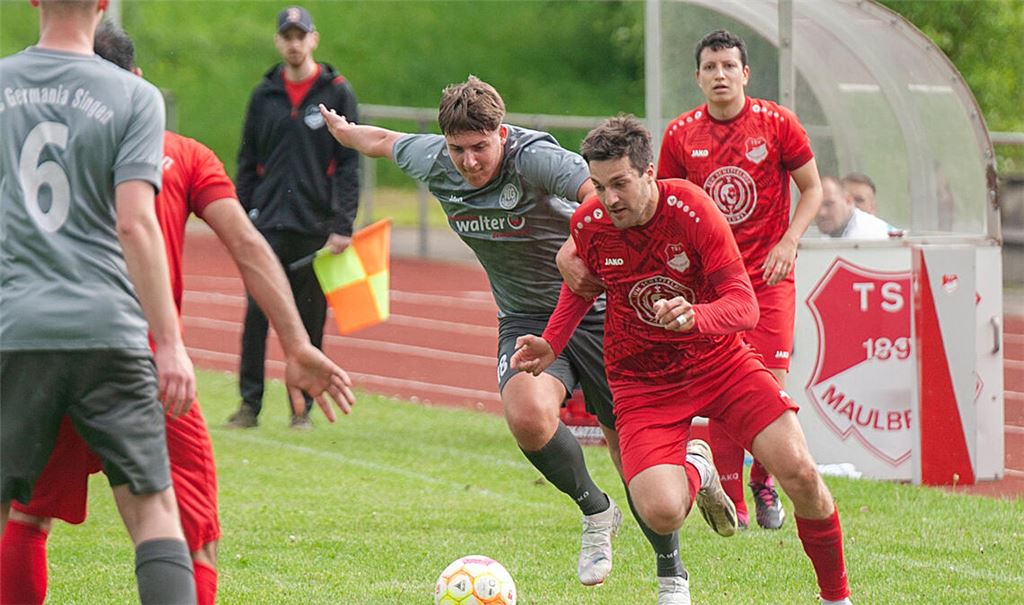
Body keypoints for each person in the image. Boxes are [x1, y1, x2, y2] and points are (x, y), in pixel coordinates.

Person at [0, 22, 358, 605]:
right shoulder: (181, 153)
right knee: (186, 534)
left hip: (35, 346)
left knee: (26, 517)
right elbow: (246, 245)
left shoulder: (21, 132)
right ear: (136, 81)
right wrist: (295, 344)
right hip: (136, 356)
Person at [317, 76, 696, 601]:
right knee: (527, 416)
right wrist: (345, 132)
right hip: (525, 317)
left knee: (628, 453)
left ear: (502, 133)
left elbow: (598, 193)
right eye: (458, 149)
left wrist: (574, 250)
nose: (469, 161)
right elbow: (384, 141)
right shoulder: (434, 160)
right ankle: (596, 511)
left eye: (480, 147)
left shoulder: (534, 158)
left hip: (599, 309)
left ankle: (671, 571)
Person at [512, 115, 852, 605]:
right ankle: (699, 466)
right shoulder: (589, 222)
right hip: (642, 380)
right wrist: (551, 342)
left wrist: (697, 315)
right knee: (661, 512)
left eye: (621, 184)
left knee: (800, 474)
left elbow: (745, 305)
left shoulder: (693, 209)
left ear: (649, 172)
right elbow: (580, 288)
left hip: (721, 364)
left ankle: (836, 597)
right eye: (600, 187)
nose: (609, 199)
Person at [0, 1, 196, 603]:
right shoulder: (135, 97)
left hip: (15, 326)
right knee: (153, 508)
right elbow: (135, 224)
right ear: (104, 4)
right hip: (109, 327)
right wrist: (170, 343)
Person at [654, 29, 824, 531]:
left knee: (768, 386)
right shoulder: (681, 134)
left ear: (745, 73)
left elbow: (813, 189)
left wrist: (789, 240)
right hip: (714, 288)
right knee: (722, 387)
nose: (720, 75)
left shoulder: (777, 123)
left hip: (769, 280)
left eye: (729, 66)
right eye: (710, 67)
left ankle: (762, 482)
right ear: (698, 77)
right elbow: (666, 205)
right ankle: (734, 502)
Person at [228, 5, 360, 430]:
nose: (293, 44)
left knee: (309, 319)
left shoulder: (336, 93)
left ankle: (302, 409)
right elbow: (247, 160)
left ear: (313, 39)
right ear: (277, 41)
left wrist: (342, 224)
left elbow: (349, 165)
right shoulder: (263, 95)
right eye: (286, 36)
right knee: (256, 317)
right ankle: (249, 405)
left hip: (314, 226)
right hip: (266, 224)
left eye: (300, 36)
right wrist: (241, 217)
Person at [815, 176, 891, 239]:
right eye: (816, 206)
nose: (821, 213)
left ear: (848, 201)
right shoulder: (831, 233)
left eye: (829, 204)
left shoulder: (868, 235)